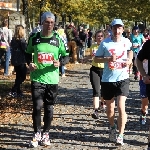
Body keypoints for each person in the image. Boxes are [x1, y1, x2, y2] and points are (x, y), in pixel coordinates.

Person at [25, 12, 69, 148]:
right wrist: (30, 63)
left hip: (52, 79)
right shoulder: (34, 38)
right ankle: (37, 132)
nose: (49, 24)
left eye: (52, 22)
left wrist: (60, 63)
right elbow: (27, 54)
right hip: (37, 78)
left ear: (54, 24)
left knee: (49, 108)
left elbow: (66, 56)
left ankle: (46, 133)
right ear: (41, 22)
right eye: (47, 22)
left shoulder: (58, 39)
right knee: (37, 106)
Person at [94, 19, 132, 145]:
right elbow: (96, 57)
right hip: (108, 79)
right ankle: (112, 127)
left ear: (122, 29)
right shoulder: (105, 43)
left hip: (123, 78)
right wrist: (108, 58)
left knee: (121, 106)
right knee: (110, 109)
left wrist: (130, 60)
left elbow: (130, 51)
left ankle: (121, 135)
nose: (117, 31)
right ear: (111, 29)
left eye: (119, 28)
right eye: (114, 28)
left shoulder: (126, 41)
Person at [83, 30, 106, 119]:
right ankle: (96, 111)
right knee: (96, 90)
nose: (99, 38)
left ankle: (102, 103)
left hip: (105, 70)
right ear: (95, 38)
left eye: (101, 36)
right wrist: (86, 58)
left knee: (104, 91)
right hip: (94, 69)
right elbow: (92, 56)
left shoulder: (106, 46)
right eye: (98, 36)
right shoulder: (93, 46)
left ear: (103, 37)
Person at [136, 40, 150, 150]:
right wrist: (144, 75)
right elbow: (138, 59)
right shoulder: (149, 44)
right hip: (148, 82)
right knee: (144, 102)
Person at [9, 25, 27, 97]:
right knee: (23, 76)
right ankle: (14, 89)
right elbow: (25, 50)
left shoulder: (13, 40)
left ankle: (18, 91)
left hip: (15, 60)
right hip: (21, 60)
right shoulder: (22, 40)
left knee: (18, 76)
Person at [135, 44, 148, 125]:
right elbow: (136, 61)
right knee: (144, 100)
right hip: (144, 77)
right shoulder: (144, 46)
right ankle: (143, 112)